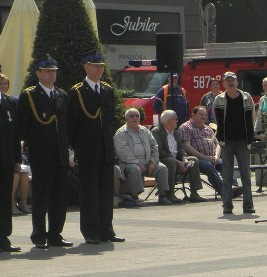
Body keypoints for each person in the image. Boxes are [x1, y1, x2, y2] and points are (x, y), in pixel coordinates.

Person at [67, 51, 122, 245]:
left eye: (101, 67)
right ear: (86, 67)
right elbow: (71, 125)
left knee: (106, 192)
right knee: (89, 192)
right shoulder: (77, 92)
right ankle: (90, 231)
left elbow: (109, 122)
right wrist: (77, 149)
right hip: (87, 149)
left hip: (105, 149)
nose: (99, 69)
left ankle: (107, 229)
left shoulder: (107, 90)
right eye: (95, 66)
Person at [17, 55, 71, 249]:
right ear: (38, 73)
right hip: (41, 154)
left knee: (59, 196)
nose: (51, 74)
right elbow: (23, 126)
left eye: (54, 71)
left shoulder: (62, 95)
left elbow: (66, 126)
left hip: (60, 154)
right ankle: (39, 234)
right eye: (47, 71)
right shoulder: (30, 96)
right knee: (42, 196)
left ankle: (55, 233)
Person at [212, 71, 255, 215]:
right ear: (224, 84)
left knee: (246, 176)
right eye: (228, 81)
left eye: (233, 80)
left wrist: (250, 138)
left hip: (243, 141)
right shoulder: (218, 100)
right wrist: (220, 139)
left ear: (237, 82)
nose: (231, 83)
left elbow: (252, 118)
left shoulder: (246, 97)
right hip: (226, 142)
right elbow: (217, 121)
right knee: (227, 176)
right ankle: (227, 206)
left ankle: (248, 206)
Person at [114, 108, 170, 204]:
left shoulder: (145, 131)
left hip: (148, 161)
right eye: (132, 116)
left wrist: (153, 162)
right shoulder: (120, 133)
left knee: (162, 168)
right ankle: (135, 197)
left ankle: (162, 195)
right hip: (129, 163)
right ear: (126, 118)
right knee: (134, 168)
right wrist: (138, 164)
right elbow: (124, 153)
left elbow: (154, 146)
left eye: (137, 116)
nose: (135, 118)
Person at [152, 109, 205, 203]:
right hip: (163, 160)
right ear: (169, 121)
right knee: (171, 162)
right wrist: (178, 162)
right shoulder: (157, 132)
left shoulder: (175, 132)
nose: (177, 121)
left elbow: (180, 149)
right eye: (176, 119)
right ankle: (169, 194)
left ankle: (194, 192)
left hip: (177, 159)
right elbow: (160, 151)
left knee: (193, 160)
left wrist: (184, 160)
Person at [179, 106, 227, 198]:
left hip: (212, 158)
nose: (203, 117)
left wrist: (217, 155)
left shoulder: (208, 128)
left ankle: (230, 187)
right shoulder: (186, 127)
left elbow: (217, 144)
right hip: (194, 159)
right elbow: (186, 146)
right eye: (200, 114)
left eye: (205, 115)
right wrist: (204, 157)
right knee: (207, 165)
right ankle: (224, 192)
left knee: (226, 164)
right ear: (193, 115)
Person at [0, 72, 21, 252]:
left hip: (6, 159)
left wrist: (17, 159)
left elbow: (15, 134)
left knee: (5, 200)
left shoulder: (10, 103)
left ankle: (4, 238)